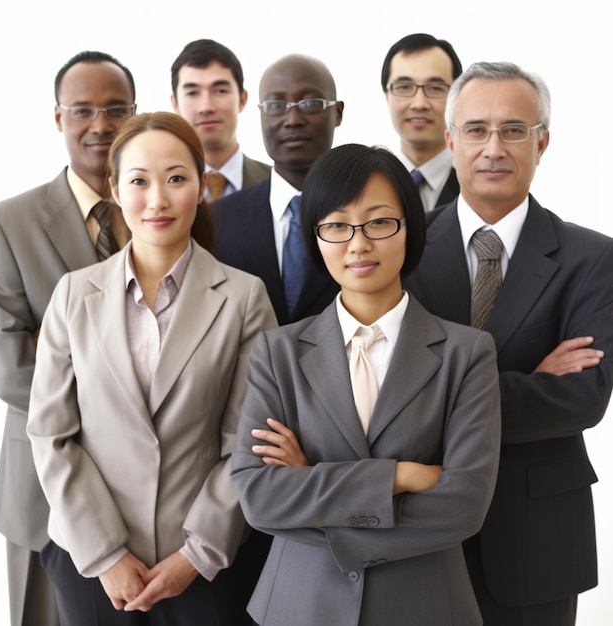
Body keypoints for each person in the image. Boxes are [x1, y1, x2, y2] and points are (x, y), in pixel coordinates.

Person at [231, 143, 502, 626]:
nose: (358, 244)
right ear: (316, 236)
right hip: (299, 605)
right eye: (336, 225)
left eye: (379, 222)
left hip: (424, 607)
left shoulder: (467, 353)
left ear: (408, 228)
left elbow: (464, 506)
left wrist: (308, 479)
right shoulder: (278, 353)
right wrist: (399, 476)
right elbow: (258, 496)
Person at [26, 111, 277, 626]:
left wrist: (198, 553)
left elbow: (249, 439)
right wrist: (106, 555)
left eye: (176, 179)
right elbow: (51, 435)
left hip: (204, 567)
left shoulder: (244, 297)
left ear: (203, 186)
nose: (157, 199)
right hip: (90, 566)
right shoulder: (74, 294)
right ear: (115, 189)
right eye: (139, 181)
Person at [403, 61, 613, 625]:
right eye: (476, 129)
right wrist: (531, 382)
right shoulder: (405, 251)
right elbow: (387, 392)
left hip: (536, 537)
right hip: (421, 532)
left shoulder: (592, 259)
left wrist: (440, 401)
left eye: (514, 130)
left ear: (542, 142)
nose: (493, 147)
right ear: (451, 140)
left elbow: (582, 398)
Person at [0, 50, 137, 626]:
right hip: (42, 489)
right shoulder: (8, 223)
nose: (100, 125)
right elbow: (12, 373)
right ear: (58, 119)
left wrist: (56, 345)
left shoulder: (161, 211)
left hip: (156, 494)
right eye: (83, 111)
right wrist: (131, 425)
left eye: (116, 109)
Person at [213, 53, 344, 325]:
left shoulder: (366, 217)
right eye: (275, 105)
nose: (293, 119)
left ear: (338, 112)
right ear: (260, 114)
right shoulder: (217, 220)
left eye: (310, 103)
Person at [170, 38, 270, 200]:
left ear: (242, 99)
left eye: (220, 91)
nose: (206, 107)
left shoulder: (277, 184)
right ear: (175, 104)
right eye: (192, 93)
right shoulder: (161, 192)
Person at [381, 33, 462, 212]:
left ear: (457, 98)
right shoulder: (367, 185)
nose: (419, 104)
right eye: (404, 87)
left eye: (435, 88)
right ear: (387, 96)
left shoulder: (481, 187)